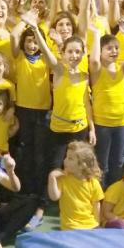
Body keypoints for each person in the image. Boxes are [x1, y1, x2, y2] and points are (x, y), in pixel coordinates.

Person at [27, 22, 96, 170]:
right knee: (56, 168)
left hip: (80, 129)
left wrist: (92, 129)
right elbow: (45, 51)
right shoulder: (59, 71)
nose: (74, 55)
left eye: (78, 52)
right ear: (63, 53)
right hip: (59, 130)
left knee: (78, 169)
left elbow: (87, 104)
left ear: (83, 54)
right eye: (70, 52)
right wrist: (34, 29)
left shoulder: (84, 76)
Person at [88, 20, 124, 187]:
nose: (114, 51)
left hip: (121, 124)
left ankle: (113, 198)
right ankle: (100, 199)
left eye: (116, 48)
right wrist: (95, 35)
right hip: (102, 125)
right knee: (102, 165)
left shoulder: (122, 67)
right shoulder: (97, 70)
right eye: (109, 48)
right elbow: (93, 60)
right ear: (100, 51)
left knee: (117, 164)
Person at [10, 14, 52, 230]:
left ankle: (38, 194)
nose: (32, 45)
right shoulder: (19, 58)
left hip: (43, 112)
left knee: (40, 155)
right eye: (29, 41)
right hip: (23, 111)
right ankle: (25, 192)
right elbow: (13, 34)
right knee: (24, 152)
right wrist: (26, 21)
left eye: (35, 41)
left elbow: (45, 48)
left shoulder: (46, 59)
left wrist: (37, 30)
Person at [48, 141, 104, 230]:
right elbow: (54, 197)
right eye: (66, 157)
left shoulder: (93, 182)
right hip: (71, 226)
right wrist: (52, 178)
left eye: (70, 158)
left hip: (90, 225)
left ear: (82, 165)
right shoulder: (63, 178)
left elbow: (96, 205)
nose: (64, 160)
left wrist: (97, 223)